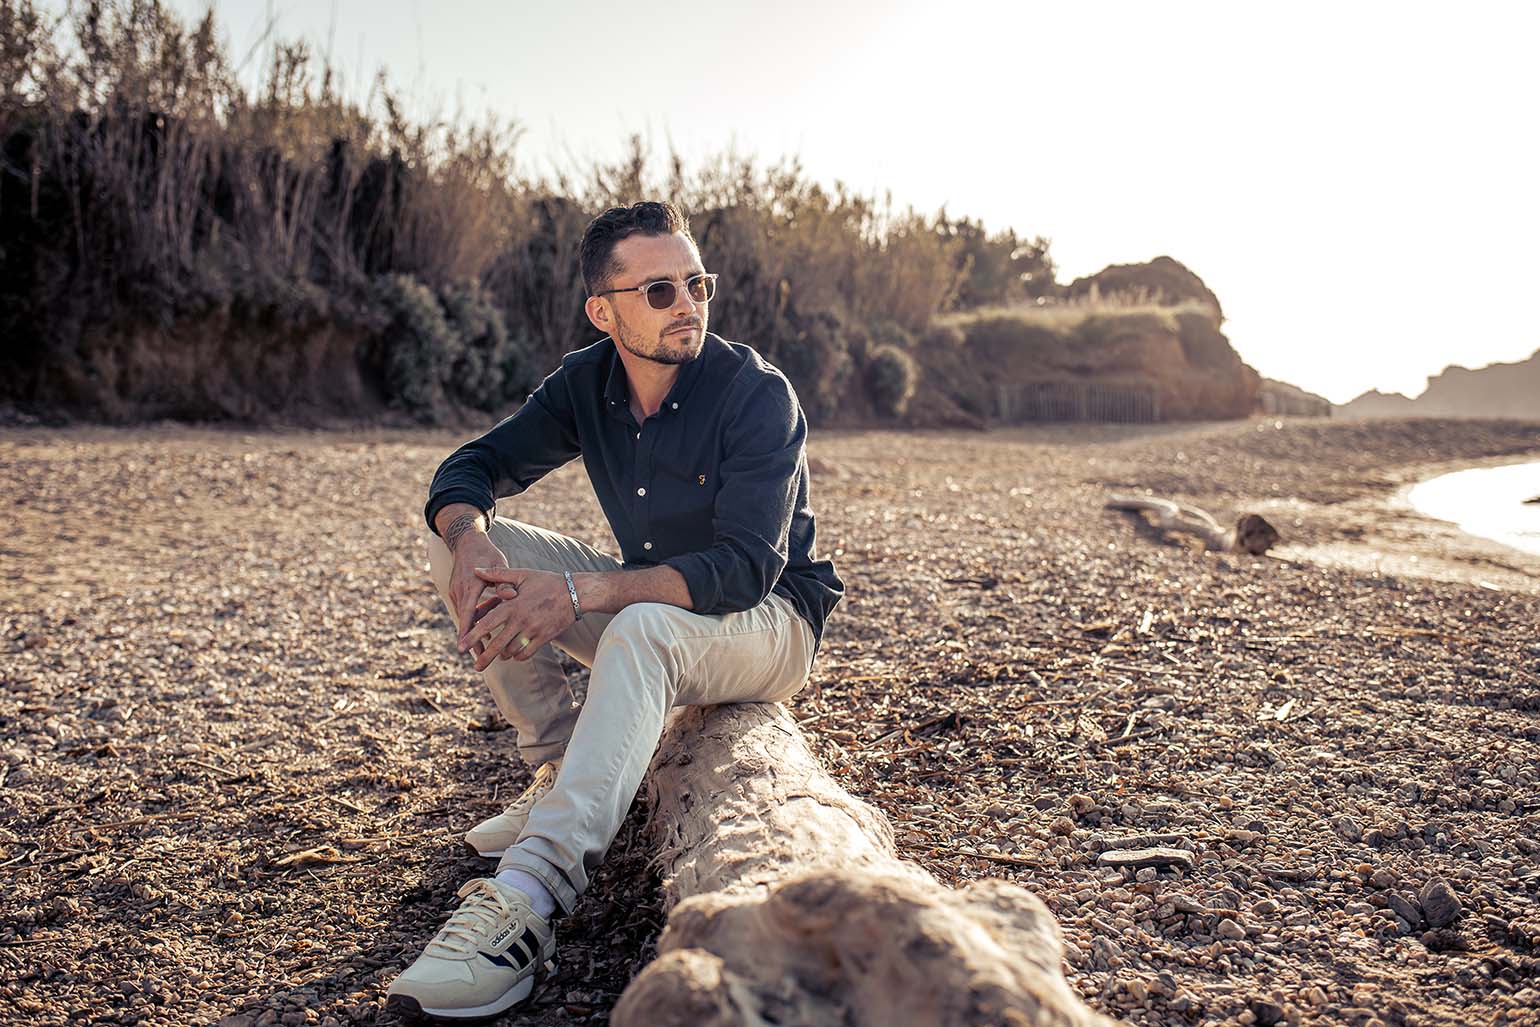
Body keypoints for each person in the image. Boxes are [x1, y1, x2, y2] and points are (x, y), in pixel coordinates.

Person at [385, 201, 843, 1021]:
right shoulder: (587, 383)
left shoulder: (755, 393)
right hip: (660, 615)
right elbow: (472, 465)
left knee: (638, 623)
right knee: (460, 543)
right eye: (660, 290)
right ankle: (566, 765)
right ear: (605, 311)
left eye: (697, 283)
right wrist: (473, 541)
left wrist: (576, 593)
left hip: (772, 622)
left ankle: (527, 897)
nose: (688, 305)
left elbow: (743, 568)